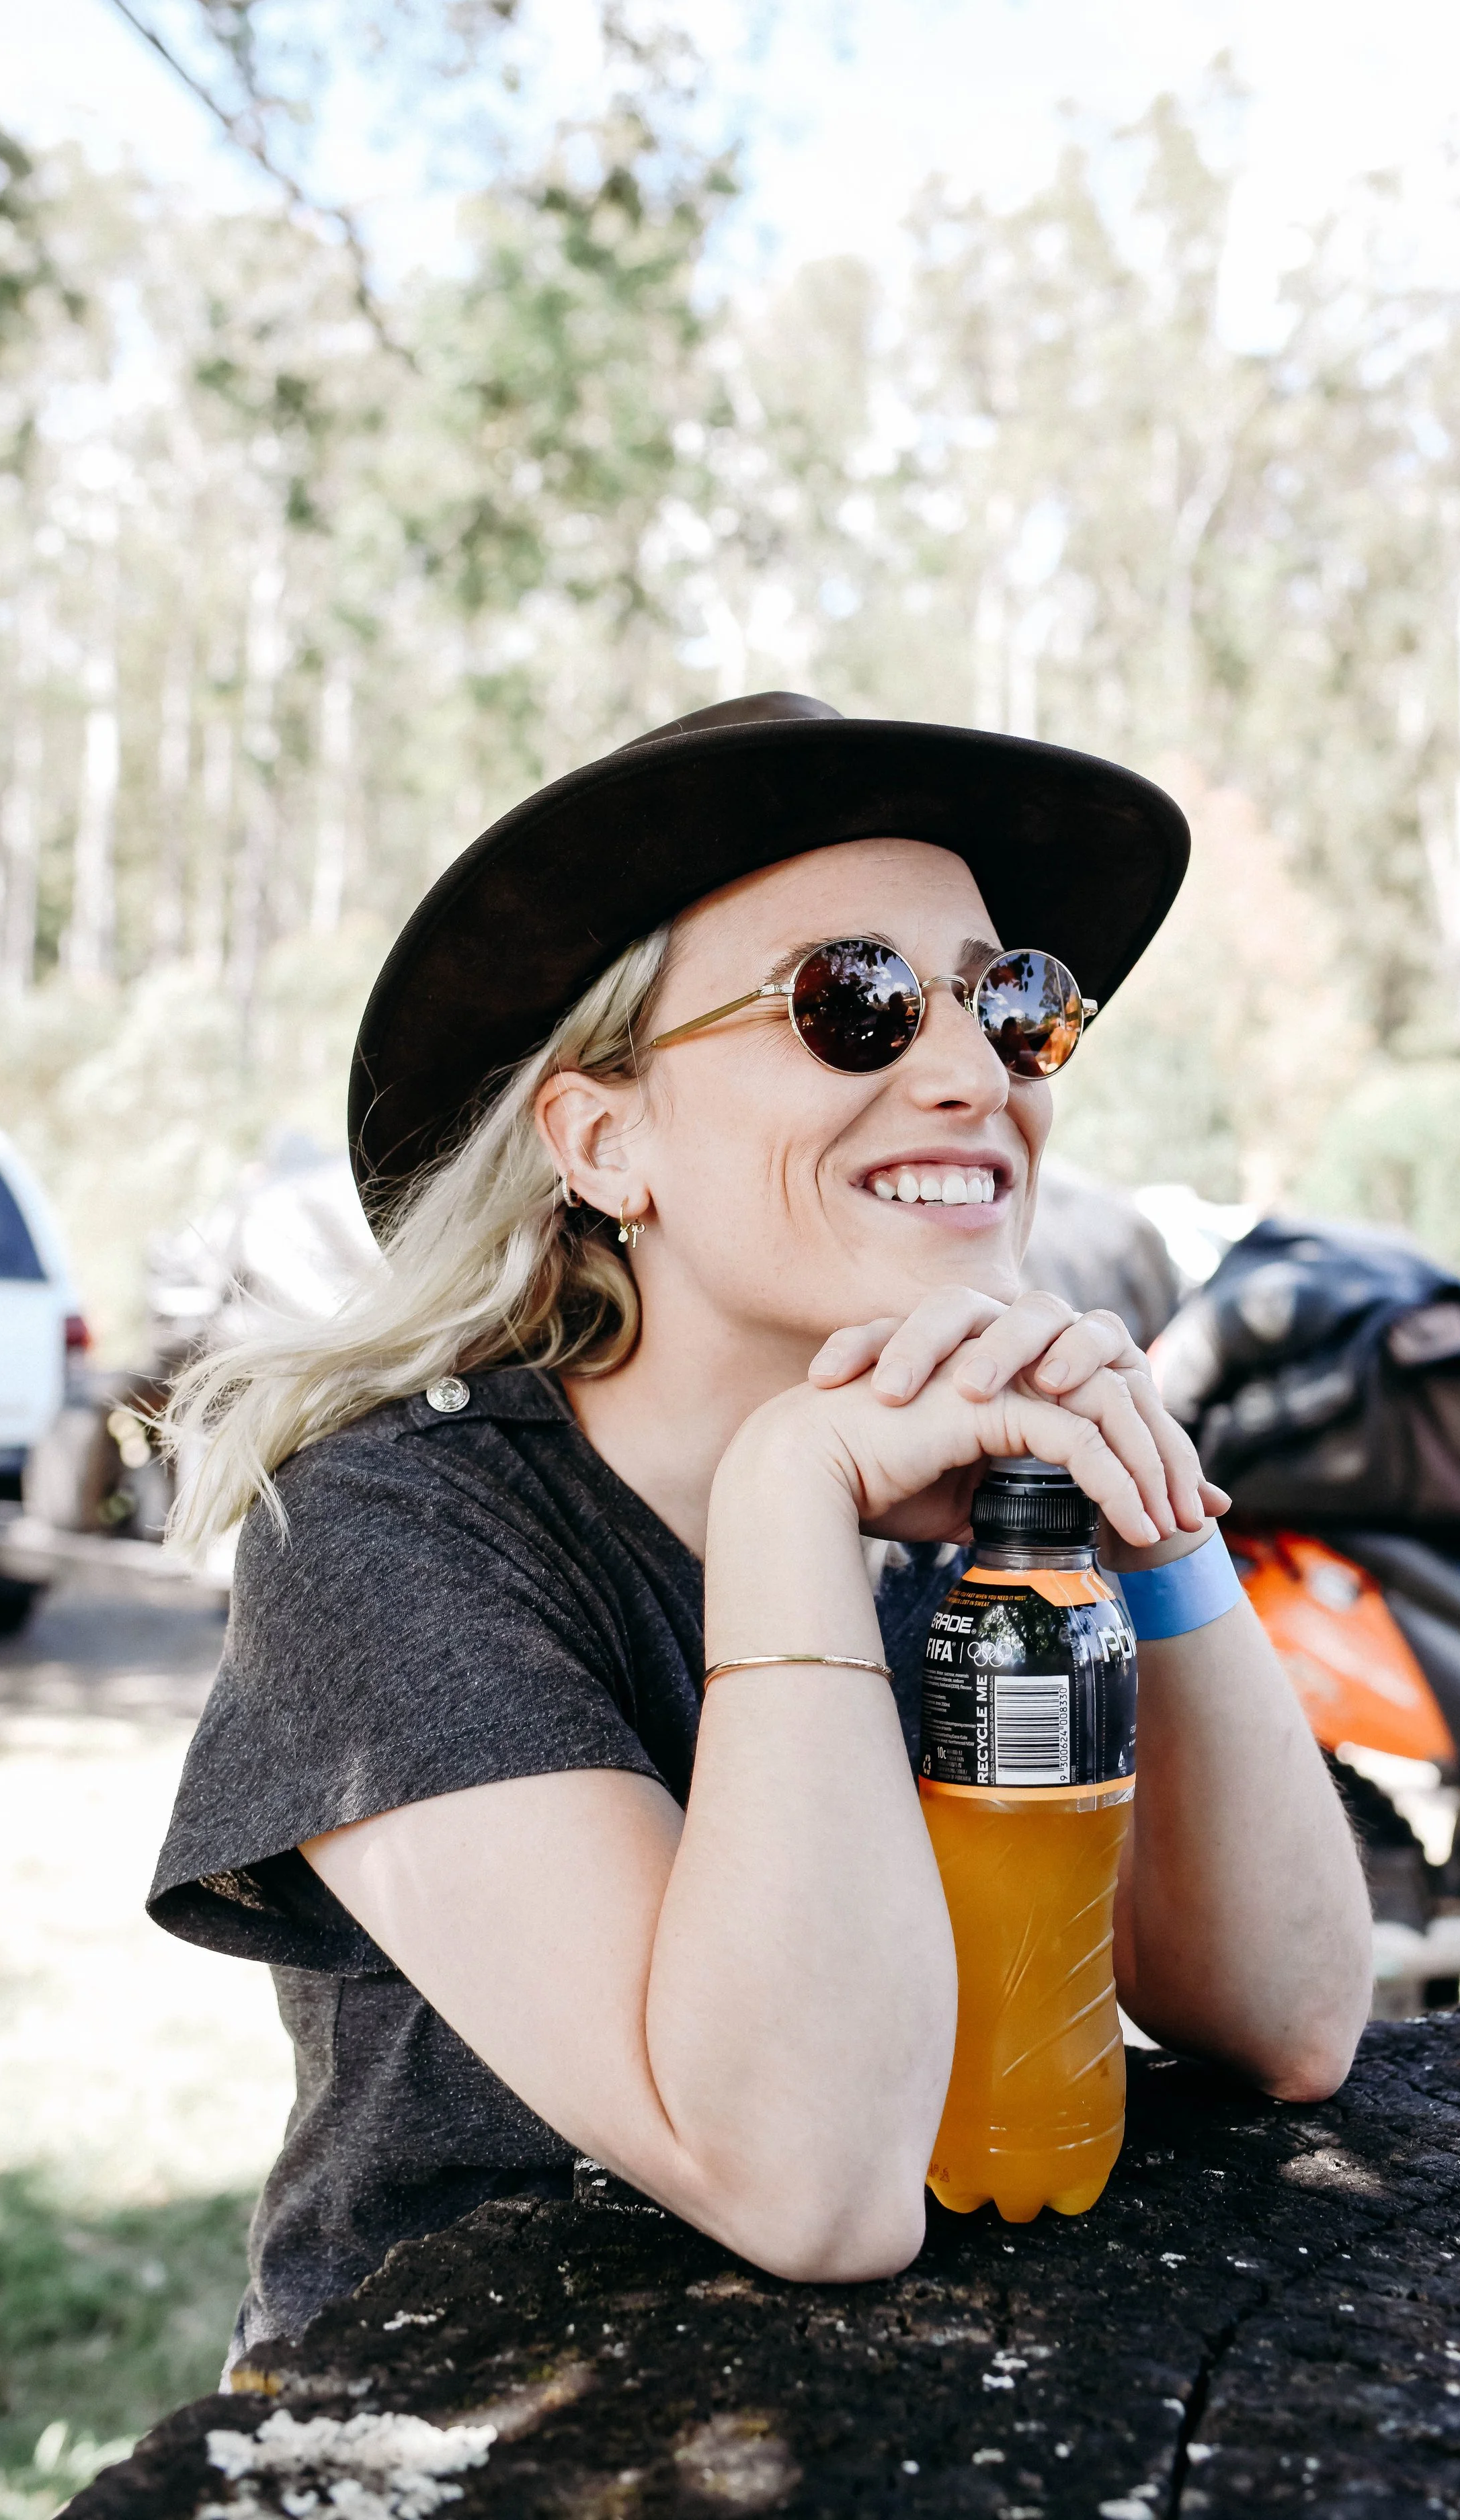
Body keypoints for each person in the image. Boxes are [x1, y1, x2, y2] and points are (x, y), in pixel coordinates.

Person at [153, 692, 1371, 2359]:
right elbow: (811, 2186)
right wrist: (788, 1499)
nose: (970, 1073)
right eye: (851, 1004)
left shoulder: (993, 1496)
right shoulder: (387, 1528)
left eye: (1012, 1004)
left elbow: (1286, 2024)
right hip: (471, 2430)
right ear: (603, 1138)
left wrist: (1160, 1530)